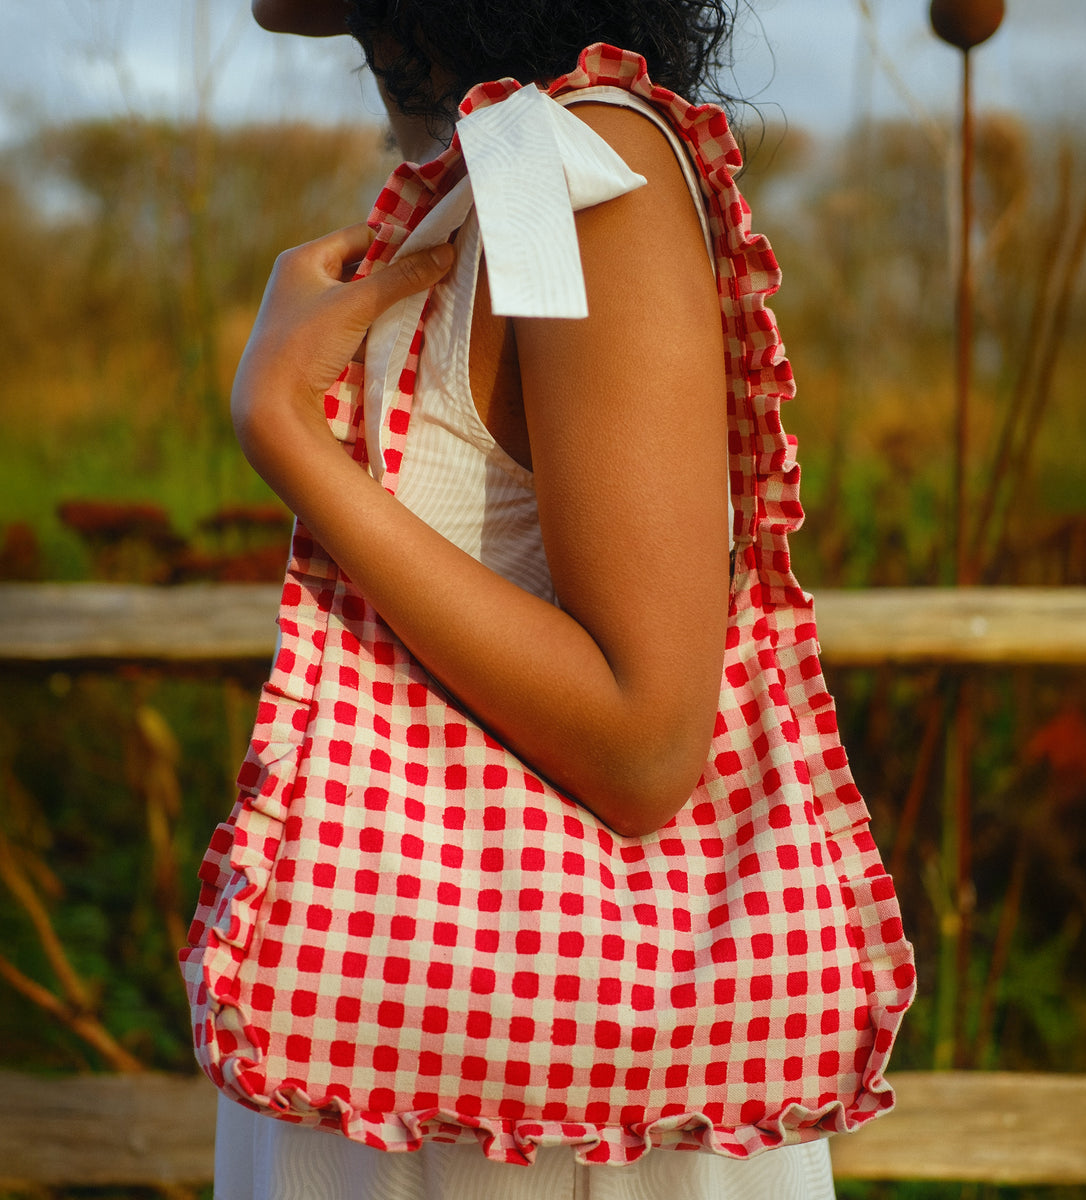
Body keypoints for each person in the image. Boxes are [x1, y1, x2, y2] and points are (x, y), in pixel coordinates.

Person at [209, 0, 847, 1195]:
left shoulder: (560, 170)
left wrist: (284, 429)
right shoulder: (502, 163)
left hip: (531, 1113)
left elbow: (645, 739)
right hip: (446, 1074)